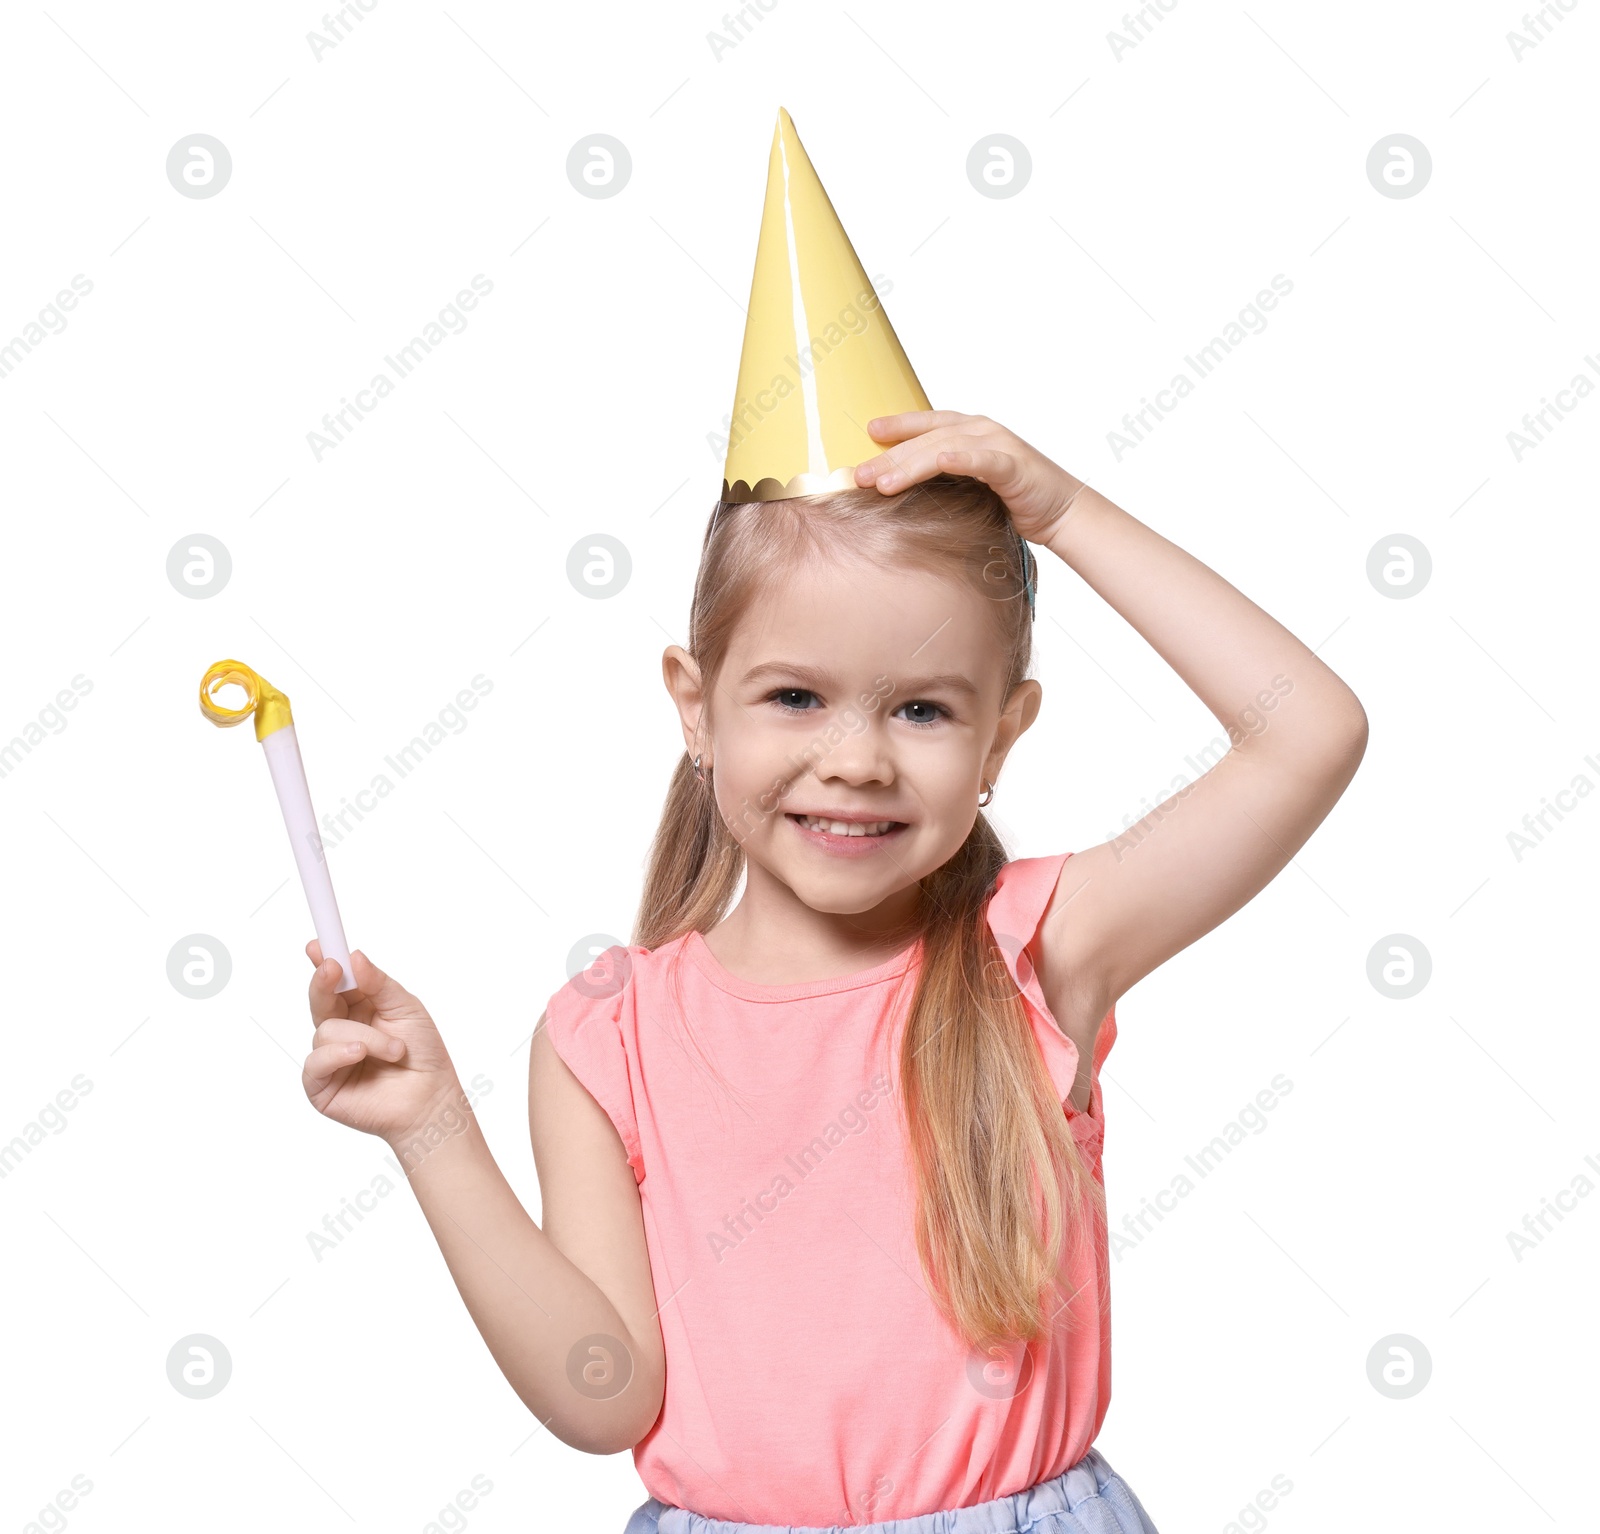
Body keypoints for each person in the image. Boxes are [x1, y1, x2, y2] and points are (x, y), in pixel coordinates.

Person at [296, 110, 1367, 1533]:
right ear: (696, 703)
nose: (855, 760)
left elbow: (1309, 729)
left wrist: (1063, 510)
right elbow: (606, 1393)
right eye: (795, 695)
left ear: (1004, 734)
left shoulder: (1034, 951)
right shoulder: (604, 1036)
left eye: (923, 709)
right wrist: (433, 1126)